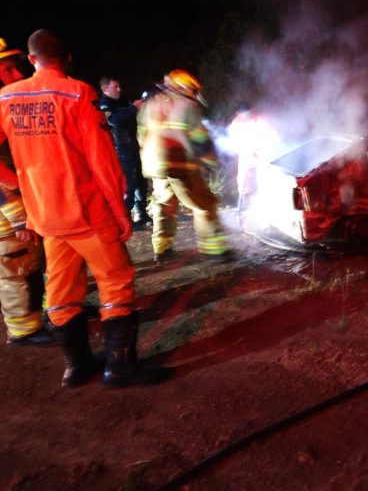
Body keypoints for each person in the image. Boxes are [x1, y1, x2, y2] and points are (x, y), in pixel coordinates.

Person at [0, 29, 168, 388]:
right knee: (116, 281)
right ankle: (120, 367)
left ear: (31, 60)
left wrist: (17, 182)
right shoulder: (77, 93)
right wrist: (121, 211)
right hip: (86, 213)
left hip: (46, 217)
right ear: (68, 58)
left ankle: (76, 367)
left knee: (61, 291)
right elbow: (102, 160)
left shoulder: (6, 99)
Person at [138, 69, 232, 263]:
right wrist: (209, 160)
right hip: (180, 165)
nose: (193, 93)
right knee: (204, 203)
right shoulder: (186, 106)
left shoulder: (150, 105)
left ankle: (162, 249)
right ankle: (214, 249)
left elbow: (141, 135)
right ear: (183, 88)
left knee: (164, 205)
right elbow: (200, 140)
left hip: (155, 166)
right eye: (191, 89)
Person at [0, 37, 54, 346]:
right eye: (6, 71)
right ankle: (23, 329)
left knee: (35, 260)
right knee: (14, 265)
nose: (16, 76)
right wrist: (18, 218)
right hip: (7, 210)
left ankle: (53, 310)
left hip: (21, 201)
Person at [98, 75, 151, 226]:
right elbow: (112, 120)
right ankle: (125, 219)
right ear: (105, 89)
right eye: (115, 87)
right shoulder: (104, 103)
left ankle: (141, 214)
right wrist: (133, 108)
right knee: (129, 184)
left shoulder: (123, 100)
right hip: (121, 150)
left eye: (119, 86)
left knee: (141, 181)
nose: (119, 89)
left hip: (134, 145)